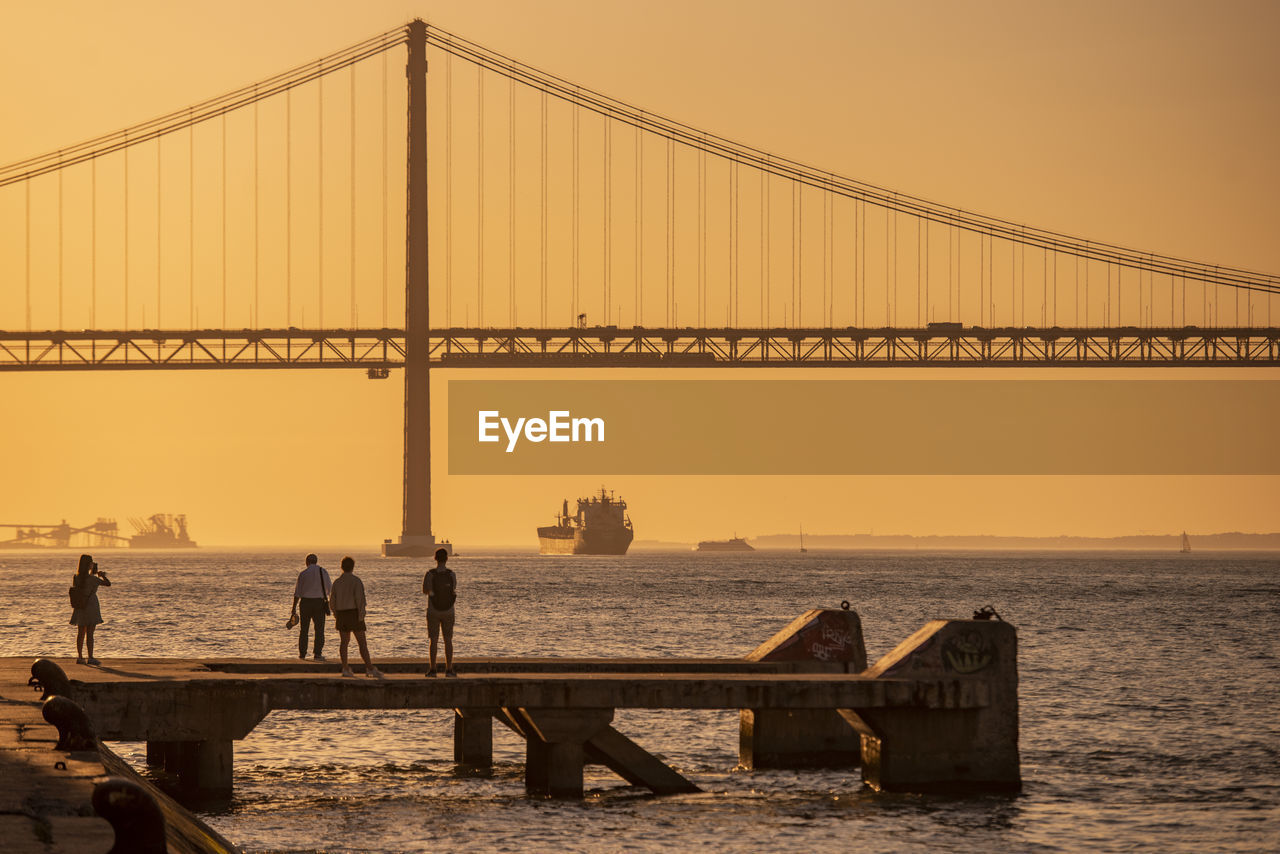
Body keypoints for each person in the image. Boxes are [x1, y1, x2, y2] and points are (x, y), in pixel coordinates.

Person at [329, 556, 384, 679]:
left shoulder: (337, 582)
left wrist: (336, 614)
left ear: (341, 567)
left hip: (341, 614)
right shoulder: (356, 581)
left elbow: (332, 601)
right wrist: (361, 615)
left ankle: (345, 668)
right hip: (354, 613)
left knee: (344, 643)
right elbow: (360, 600)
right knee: (362, 643)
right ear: (353, 567)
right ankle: (370, 668)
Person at [69, 554, 110, 665]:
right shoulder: (93, 579)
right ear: (89, 564)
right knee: (90, 633)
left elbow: (80, 587)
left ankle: (80, 657)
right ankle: (91, 657)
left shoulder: (76, 578)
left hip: (80, 605)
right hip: (91, 605)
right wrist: (101, 575)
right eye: (91, 562)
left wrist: (92, 573)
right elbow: (107, 584)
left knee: (80, 632)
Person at [422, 547, 457, 677]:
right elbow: (453, 588)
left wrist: (433, 594)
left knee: (434, 640)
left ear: (435, 558)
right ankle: (449, 669)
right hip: (449, 610)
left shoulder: (430, 574)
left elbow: (425, 590)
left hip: (433, 610)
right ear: (447, 559)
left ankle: (433, 669)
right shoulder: (451, 574)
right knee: (448, 640)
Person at [290, 554, 331, 661]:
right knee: (319, 629)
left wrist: (293, 608)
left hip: (305, 603)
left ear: (306, 562)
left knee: (304, 630)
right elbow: (329, 590)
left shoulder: (303, 574)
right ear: (316, 561)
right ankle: (317, 653)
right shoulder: (323, 572)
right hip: (319, 603)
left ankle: (302, 654)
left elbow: (297, 593)